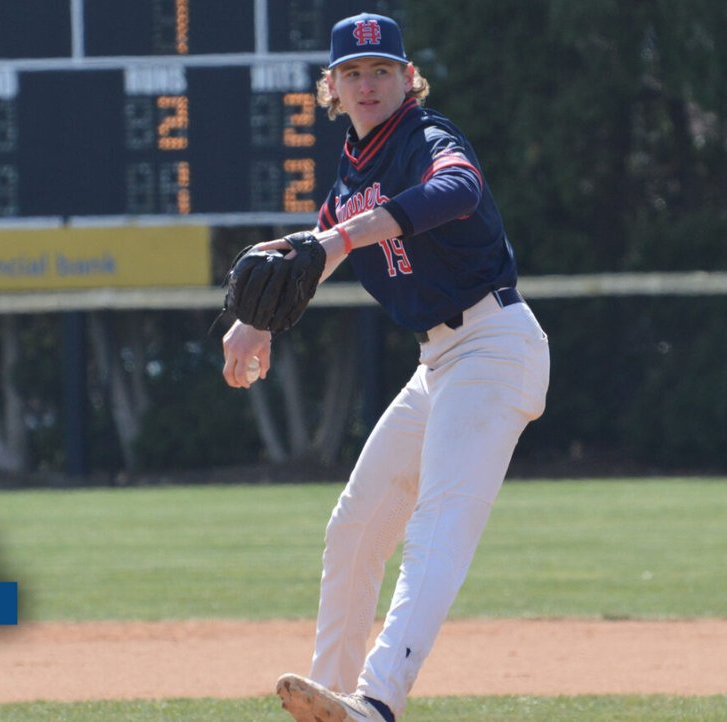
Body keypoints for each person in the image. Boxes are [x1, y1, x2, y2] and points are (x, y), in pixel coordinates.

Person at [221, 12, 549, 722]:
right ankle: (328, 700)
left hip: (494, 346)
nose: (367, 84)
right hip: (438, 363)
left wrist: (342, 233)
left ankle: (376, 703)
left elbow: (456, 190)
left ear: (408, 78)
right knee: (356, 528)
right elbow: (315, 254)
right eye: (352, 73)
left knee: (437, 526)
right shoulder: (349, 178)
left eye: (381, 70)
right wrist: (254, 320)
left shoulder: (428, 139)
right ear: (331, 89)